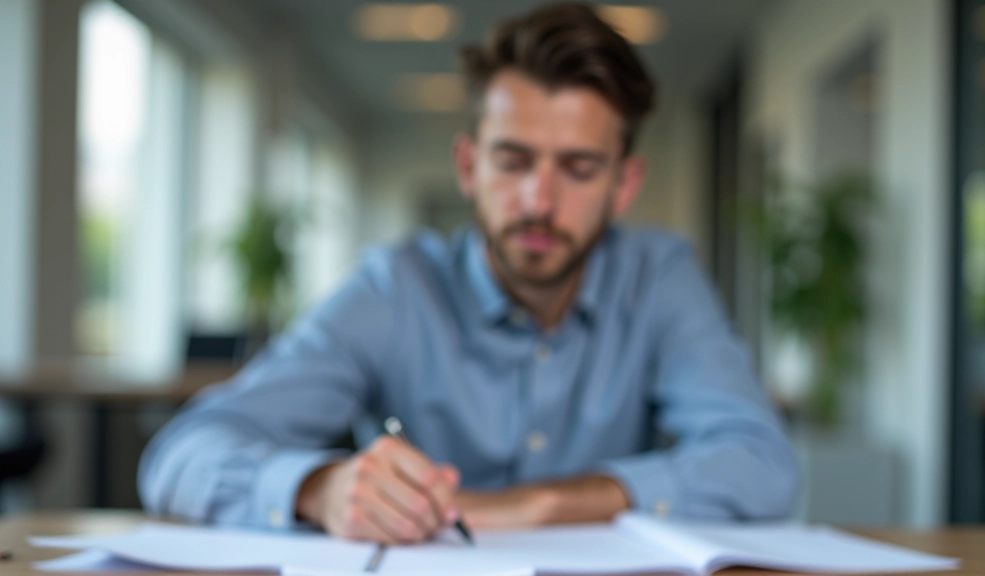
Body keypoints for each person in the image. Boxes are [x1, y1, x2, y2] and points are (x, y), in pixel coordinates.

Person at [139, 2, 798, 544]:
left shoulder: (658, 277)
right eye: (513, 161)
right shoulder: (395, 288)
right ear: (467, 166)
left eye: (577, 168)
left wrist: (535, 505)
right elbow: (181, 455)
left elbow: (762, 465)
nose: (539, 201)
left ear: (623, 185)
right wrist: (321, 489)